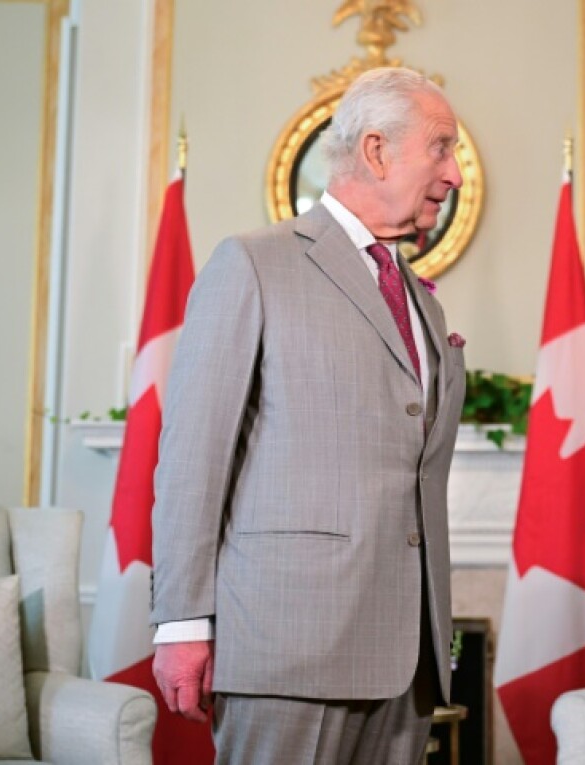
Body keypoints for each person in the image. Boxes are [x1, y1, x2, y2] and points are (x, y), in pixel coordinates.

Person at [149, 66, 467, 763]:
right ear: (378, 151)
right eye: (441, 148)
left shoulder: (421, 299)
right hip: (286, 648)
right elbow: (193, 459)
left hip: (406, 659)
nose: (455, 174)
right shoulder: (253, 264)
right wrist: (180, 621)